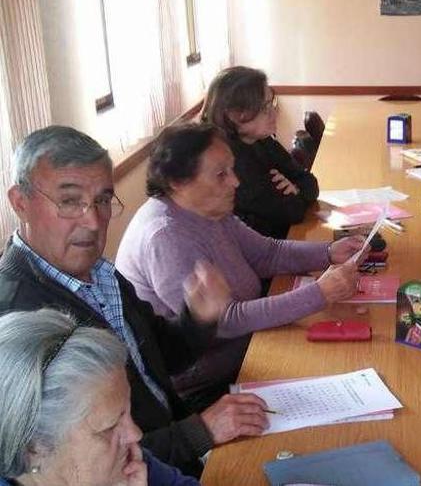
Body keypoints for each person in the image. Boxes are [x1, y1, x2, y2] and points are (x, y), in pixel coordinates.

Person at [1, 126, 270, 476]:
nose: (93, 220)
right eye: (69, 201)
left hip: (179, 452)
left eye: (101, 200)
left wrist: (198, 318)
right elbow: (81, 463)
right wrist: (198, 432)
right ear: (20, 202)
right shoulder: (17, 317)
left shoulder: (99, 273)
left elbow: (159, 359)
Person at [116, 123, 362, 409]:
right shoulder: (165, 236)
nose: (235, 181)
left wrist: (329, 252)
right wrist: (319, 293)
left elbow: (267, 254)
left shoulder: (209, 208)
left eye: (232, 169)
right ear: (178, 183)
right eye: (221, 174)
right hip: (211, 376)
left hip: (251, 344)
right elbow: (225, 322)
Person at [0, 309, 199, 486]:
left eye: (128, 411)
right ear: (34, 449)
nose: (136, 434)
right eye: (109, 427)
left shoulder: (125, 455)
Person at [201, 66, 319, 240]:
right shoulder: (230, 160)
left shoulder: (262, 140)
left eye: (271, 103)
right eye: (264, 107)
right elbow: (291, 213)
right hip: (258, 255)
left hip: (279, 243)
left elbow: (311, 183)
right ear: (233, 115)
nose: (274, 112)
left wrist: (296, 189)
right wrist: (297, 195)